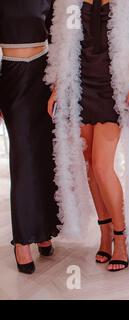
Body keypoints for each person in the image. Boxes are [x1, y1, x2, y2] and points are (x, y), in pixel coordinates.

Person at [46, 0, 129, 271]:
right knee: (91, 170)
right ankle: (104, 233)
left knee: (102, 166)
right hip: (81, 89)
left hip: (113, 89)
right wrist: (58, 86)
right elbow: (61, 43)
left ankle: (122, 237)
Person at [0, 0, 60, 274]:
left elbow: (58, 36)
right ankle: (22, 240)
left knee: (44, 155)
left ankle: (43, 229)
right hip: (12, 78)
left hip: (43, 76)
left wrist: (59, 81)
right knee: (23, 158)